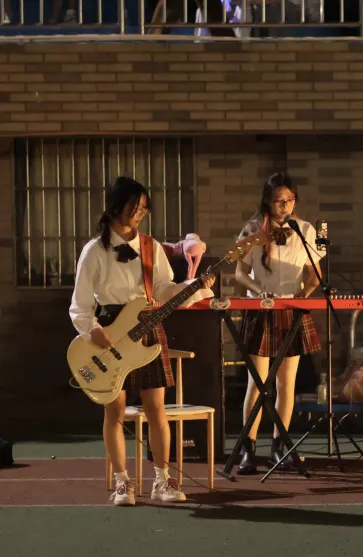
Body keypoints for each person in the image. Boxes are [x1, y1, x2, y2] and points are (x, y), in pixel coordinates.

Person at [69, 176, 214, 506]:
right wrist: (93, 330)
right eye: (134, 206)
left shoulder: (151, 247)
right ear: (115, 207)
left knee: (157, 409)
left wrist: (193, 287)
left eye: (144, 208)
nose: (140, 213)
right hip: (109, 329)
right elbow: (79, 304)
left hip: (148, 326)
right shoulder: (93, 251)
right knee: (115, 411)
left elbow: (163, 290)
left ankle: (163, 480)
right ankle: (123, 482)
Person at [232, 172, 325, 475]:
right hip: (261, 309)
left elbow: (314, 274)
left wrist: (303, 294)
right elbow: (240, 273)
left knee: (287, 384)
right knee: (258, 383)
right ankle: (247, 450)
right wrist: (259, 291)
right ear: (267, 202)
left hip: (291, 310)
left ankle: (279, 448)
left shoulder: (305, 230)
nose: (284, 206)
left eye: (289, 200)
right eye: (278, 201)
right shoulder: (253, 229)